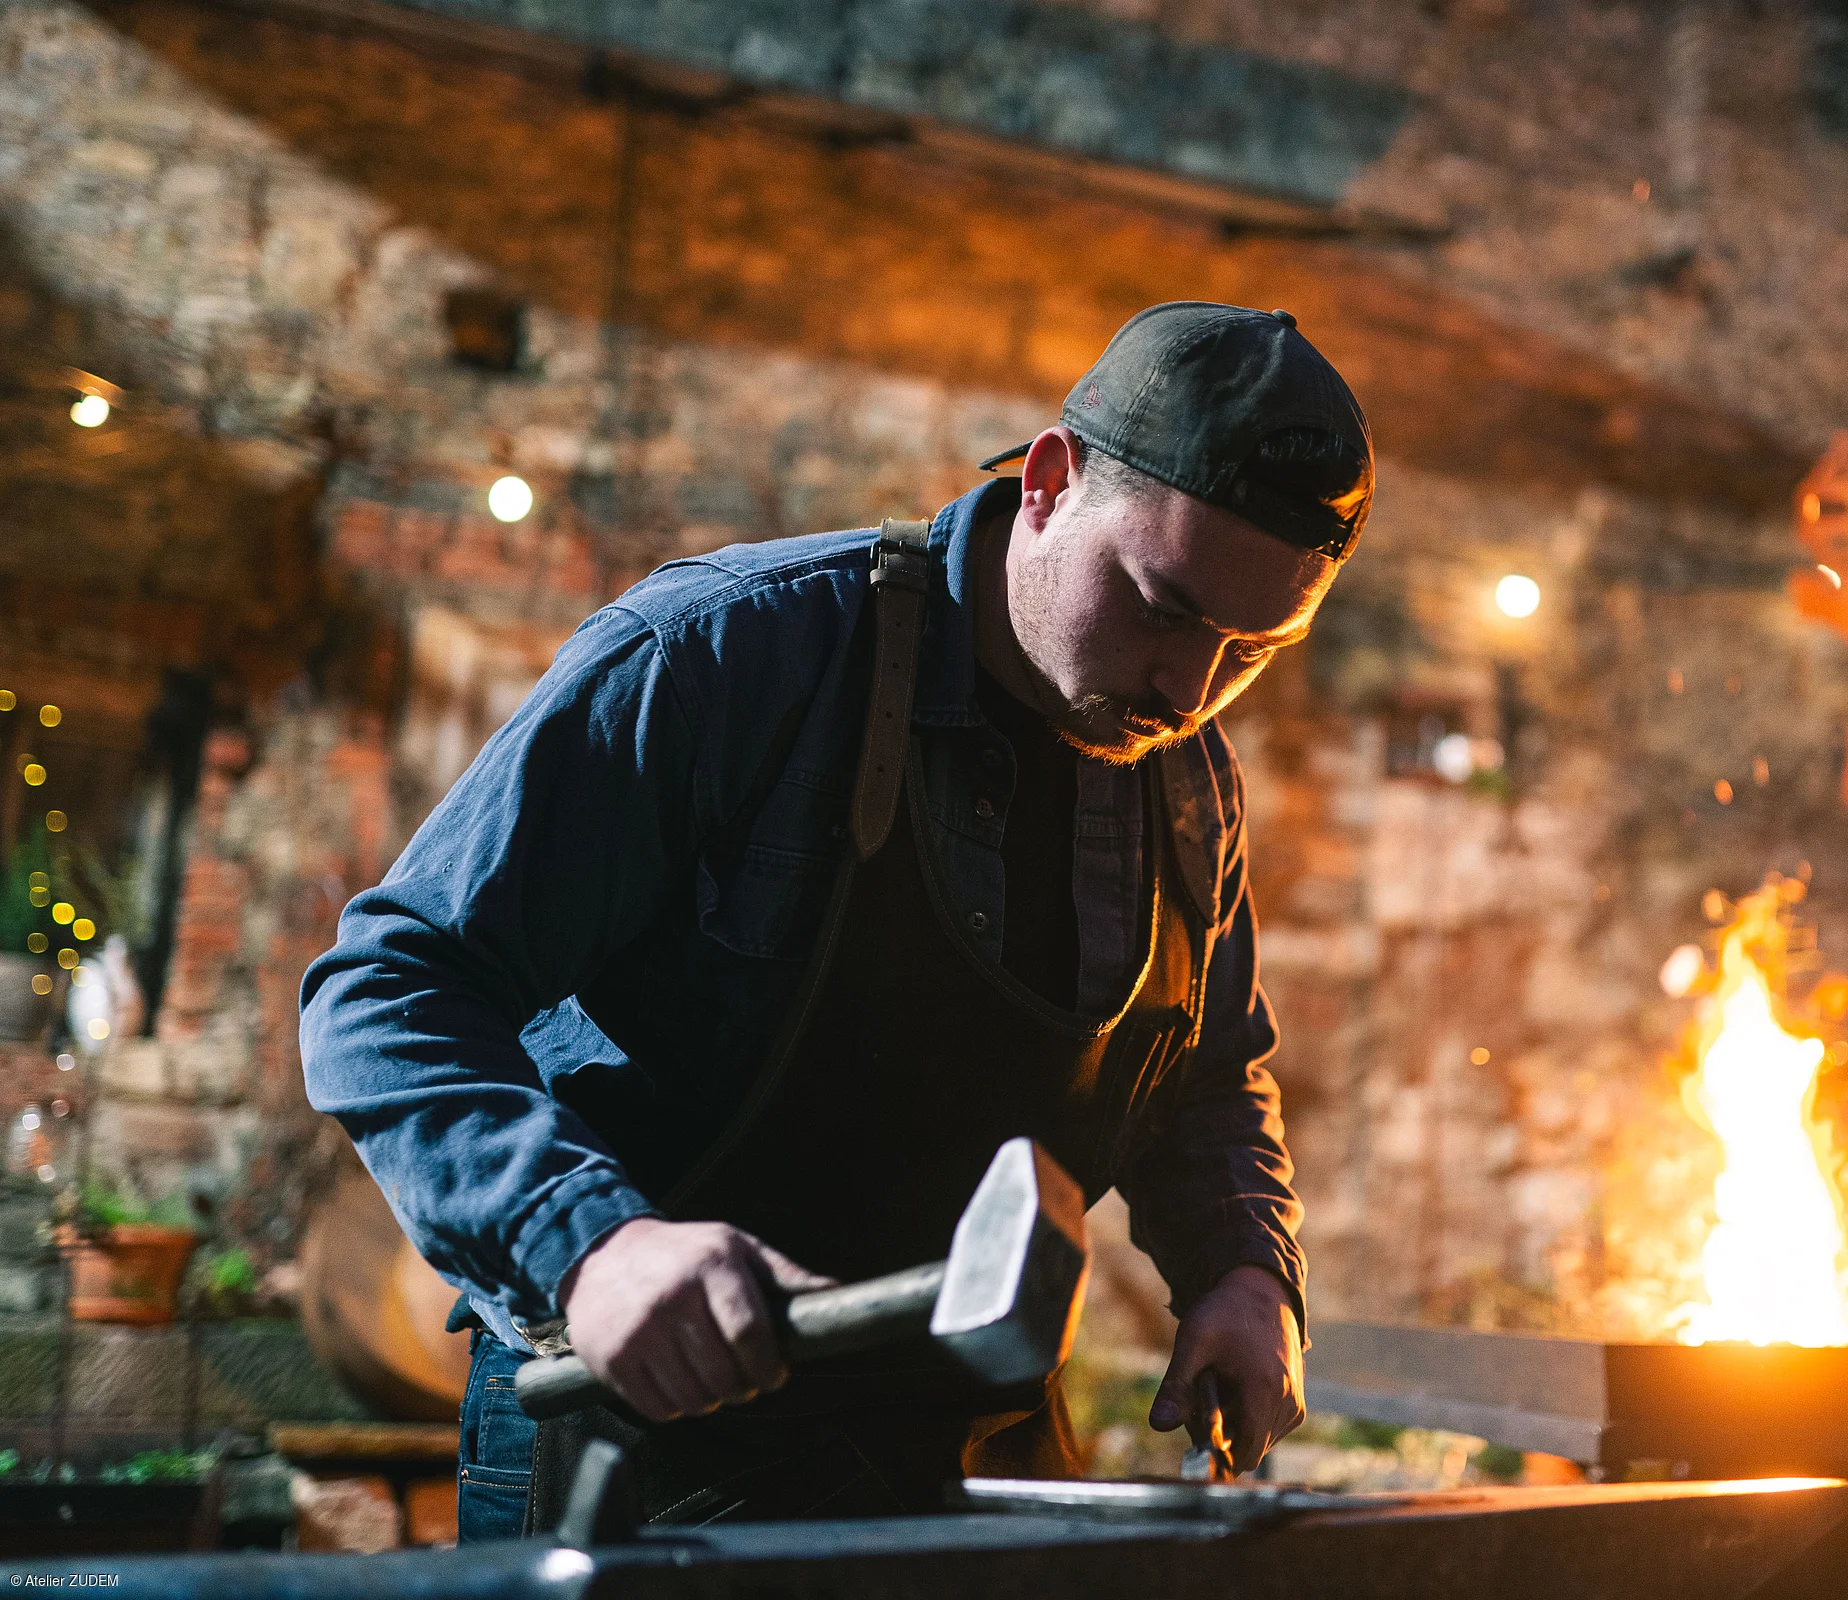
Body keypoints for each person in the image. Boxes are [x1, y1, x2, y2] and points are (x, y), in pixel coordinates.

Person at [298, 301, 1375, 1537]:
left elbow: (1203, 1075)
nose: (1192, 689)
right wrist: (592, 1246)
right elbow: (386, 990)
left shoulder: (1185, 773)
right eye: (1163, 603)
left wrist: (1242, 1268)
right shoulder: (724, 656)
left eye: (1254, 646)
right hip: (653, 1461)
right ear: (1048, 481)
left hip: (970, 1454)